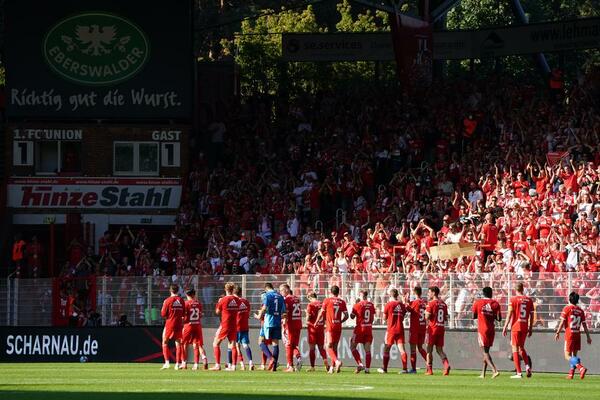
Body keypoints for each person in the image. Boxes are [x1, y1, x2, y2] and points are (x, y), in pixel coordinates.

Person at [554, 291, 592, 379]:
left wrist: (557, 332)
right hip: (577, 335)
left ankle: (580, 368)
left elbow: (562, 322)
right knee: (574, 356)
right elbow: (585, 326)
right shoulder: (581, 311)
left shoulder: (567, 309)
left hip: (569, 335)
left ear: (569, 299)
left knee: (567, 356)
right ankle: (571, 374)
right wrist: (588, 337)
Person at [502, 282, 534, 379]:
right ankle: (527, 366)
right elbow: (532, 315)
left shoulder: (513, 300)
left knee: (515, 349)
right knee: (521, 348)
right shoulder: (529, 300)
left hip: (516, 326)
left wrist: (505, 326)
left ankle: (519, 373)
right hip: (524, 326)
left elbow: (509, 314)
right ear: (523, 289)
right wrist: (530, 327)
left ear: (515, 290)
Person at [316, 285, 348, 374]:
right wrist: (340, 321)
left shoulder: (327, 300)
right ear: (338, 292)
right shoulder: (342, 302)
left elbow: (321, 312)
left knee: (327, 346)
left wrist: (316, 322)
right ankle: (332, 368)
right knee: (334, 347)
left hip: (330, 326)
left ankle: (337, 362)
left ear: (330, 292)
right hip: (338, 326)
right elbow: (346, 316)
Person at [472, 286, 502, 378]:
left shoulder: (478, 302)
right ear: (491, 293)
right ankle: (483, 374)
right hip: (491, 329)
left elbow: (474, 316)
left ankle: (494, 370)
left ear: (483, 293)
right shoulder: (496, 303)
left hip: (482, 329)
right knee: (486, 351)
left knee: (485, 352)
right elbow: (499, 319)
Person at [256, 282, 285, 371]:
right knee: (275, 343)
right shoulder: (280, 296)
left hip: (268, 322)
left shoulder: (267, 295)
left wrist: (259, 315)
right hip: (277, 322)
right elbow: (284, 311)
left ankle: (271, 358)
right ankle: (274, 367)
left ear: (266, 289)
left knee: (261, 341)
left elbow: (264, 308)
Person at [378, 288, 409, 374]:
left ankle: (384, 368)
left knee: (387, 348)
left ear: (390, 295)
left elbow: (384, 318)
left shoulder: (389, 304)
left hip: (391, 329)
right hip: (400, 328)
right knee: (402, 349)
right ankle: (405, 369)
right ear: (397, 295)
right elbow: (403, 316)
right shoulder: (401, 305)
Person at [211, 282, 239, 371]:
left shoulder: (223, 300)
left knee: (216, 343)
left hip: (225, 324)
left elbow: (217, 312)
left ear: (225, 289)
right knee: (233, 344)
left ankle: (217, 365)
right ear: (233, 289)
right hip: (234, 324)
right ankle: (234, 366)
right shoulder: (237, 299)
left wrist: (218, 303)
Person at [425, 286, 451, 376]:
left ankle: (429, 370)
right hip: (441, 328)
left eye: (429, 292)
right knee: (439, 349)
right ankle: (446, 365)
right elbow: (446, 318)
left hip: (432, 329)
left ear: (433, 293)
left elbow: (427, 317)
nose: (428, 294)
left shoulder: (431, 303)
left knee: (429, 350)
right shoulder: (443, 304)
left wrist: (426, 313)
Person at [182, 288, 208, 371]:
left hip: (188, 325)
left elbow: (183, 317)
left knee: (184, 344)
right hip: (197, 325)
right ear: (194, 294)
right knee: (197, 344)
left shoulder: (185, 304)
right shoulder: (198, 303)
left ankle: (184, 363)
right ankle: (197, 363)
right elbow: (200, 314)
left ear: (187, 295)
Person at [160, 284, 184, 370]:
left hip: (169, 323)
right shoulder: (181, 300)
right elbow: (183, 313)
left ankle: (167, 362)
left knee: (165, 342)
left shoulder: (167, 301)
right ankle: (177, 364)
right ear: (177, 290)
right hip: (179, 324)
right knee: (178, 343)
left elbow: (163, 314)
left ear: (170, 291)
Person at [350, 290, 375, 373]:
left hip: (360, 329)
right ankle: (367, 369)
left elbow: (352, 316)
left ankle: (360, 364)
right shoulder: (371, 305)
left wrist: (354, 305)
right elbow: (372, 317)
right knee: (367, 349)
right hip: (368, 328)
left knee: (352, 346)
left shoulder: (358, 305)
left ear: (361, 295)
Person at [280, 283, 303, 372]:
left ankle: (290, 366)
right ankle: (299, 358)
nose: (280, 292)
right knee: (294, 345)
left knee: (288, 345)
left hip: (290, 325)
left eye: (281, 290)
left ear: (286, 290)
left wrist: (283, 320)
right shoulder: (297, 299)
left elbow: (285, 312)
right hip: (298, 323)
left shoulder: (286, 300)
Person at [305, 291, 329, 372]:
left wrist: (307, 315)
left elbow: (307, 320)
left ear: (310, 297)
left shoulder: (310, 305)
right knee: (321, 348)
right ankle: (325, 361)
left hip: (312, 329)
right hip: (321, 328)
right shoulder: (322, 304)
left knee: (312, 348)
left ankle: (312, 367)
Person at [407, 286, 428, 373]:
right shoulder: (424, 302)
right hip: (422, 327)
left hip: (415, 328)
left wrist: (405, 302)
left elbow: (408, 309)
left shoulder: (415, 302)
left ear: (415, 293)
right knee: (420, 348)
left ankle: (413, 369)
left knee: (412, 349)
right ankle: (429, 364)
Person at [234, 286, 254, 370]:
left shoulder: (234, 302)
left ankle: (242, 364)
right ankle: (250, 362)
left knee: (237, 346)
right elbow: (248, 313)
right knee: (245, 345)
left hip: (236, 326)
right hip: (245, 326)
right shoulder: (246, 301)